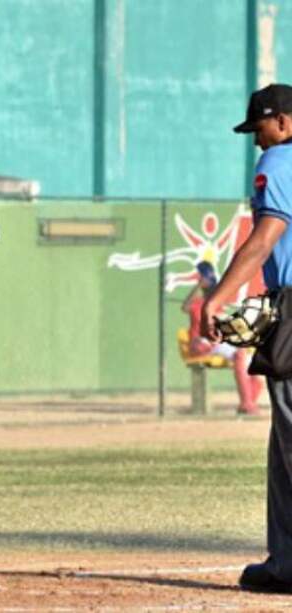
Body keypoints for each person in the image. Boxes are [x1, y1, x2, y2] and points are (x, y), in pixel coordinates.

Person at [201, 83, 292, 593]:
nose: (258, 140)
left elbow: (264, 239)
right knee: (283, 444)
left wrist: (219, 296)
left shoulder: (280, 162)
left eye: (260, 128)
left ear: (282, 121)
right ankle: (285, 563)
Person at [182, 260, 263, 415]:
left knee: (249, 363)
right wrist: (199, 285)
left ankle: (247, 403)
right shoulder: (197, 303)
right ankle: (247, 403)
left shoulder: (216, 304)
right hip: (201, 343)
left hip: (215, 343)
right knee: (237, 353)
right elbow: (185, 307)